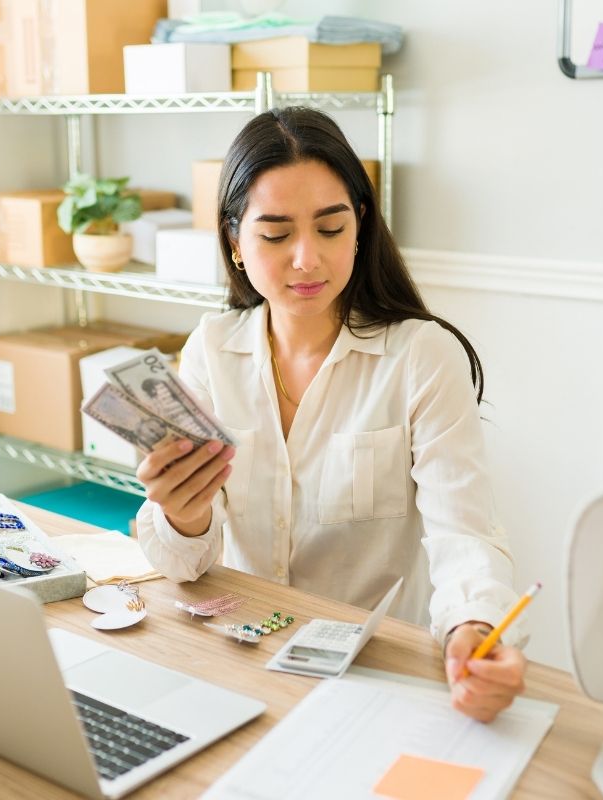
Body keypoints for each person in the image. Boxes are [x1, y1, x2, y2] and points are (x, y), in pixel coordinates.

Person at [134, 107, 526, 722]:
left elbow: (465, 533)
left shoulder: (421, 357)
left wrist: (472, 626)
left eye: (330, 228)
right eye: (275, 234)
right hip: (240, 660)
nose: (307, 260)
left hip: (372, 677)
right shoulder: (211, 349)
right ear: (235, 243)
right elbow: (181, 567)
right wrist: (183, 516)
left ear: (361, 227)